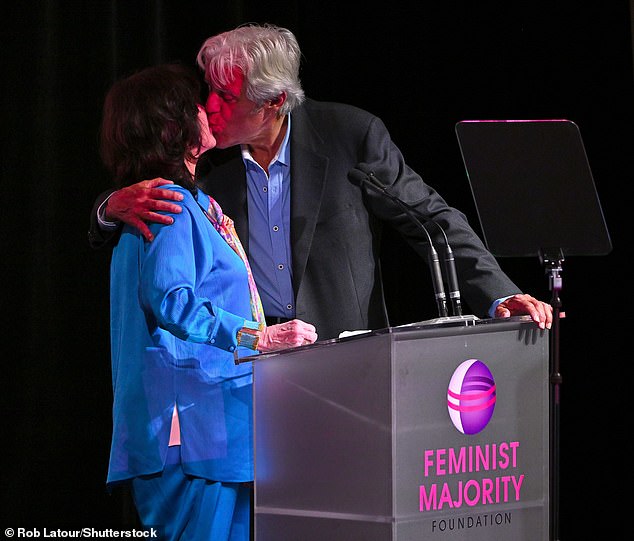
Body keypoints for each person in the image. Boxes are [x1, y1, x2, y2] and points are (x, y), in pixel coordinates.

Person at [89, 23, 552, 341]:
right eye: (209, 89)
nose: (208, 105)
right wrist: (107, 209)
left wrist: (501, 294)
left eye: (226, 96)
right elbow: (147, 192)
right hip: (248, 366)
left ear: (273, 102)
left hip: (345, 355)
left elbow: (432, 218)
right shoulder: (207, 162)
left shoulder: (349, 136)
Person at [99, 63, 317, 540]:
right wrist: (257, 337)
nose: (210, 111)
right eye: (199, 104)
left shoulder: (195, 203)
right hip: (190, 435)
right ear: (174, 127)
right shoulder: (166, 205)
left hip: (218, 429)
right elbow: (172, 302)